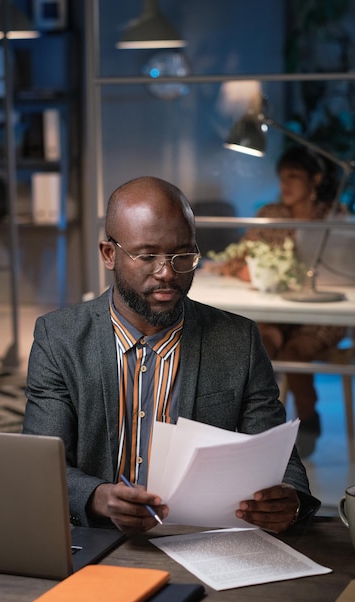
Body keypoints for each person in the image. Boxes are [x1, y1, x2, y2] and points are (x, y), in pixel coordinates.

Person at [23, 175, 320, 535]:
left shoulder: (238, 340)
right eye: (147, 256)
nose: (167, 273)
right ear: (109, 254)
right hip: (96, 535)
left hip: (203, 538)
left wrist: (290, 500)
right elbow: (41, 463)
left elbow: (279, 459)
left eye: (183, 255)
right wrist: (99, 497)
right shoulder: (60, 339)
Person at [216, 146, 347, 458]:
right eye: (281, 177)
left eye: (293, 177)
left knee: (295, 352)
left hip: (320, 313)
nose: (285, 184)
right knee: (262, 343)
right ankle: (264, 430)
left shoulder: (334, 217)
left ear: (314, 180)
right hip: (277, 310)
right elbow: (235, 259)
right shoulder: (269, 215)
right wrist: (246, 270)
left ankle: (308, 419)